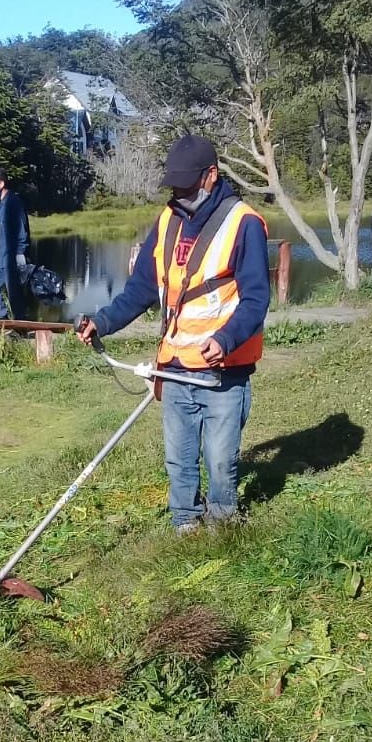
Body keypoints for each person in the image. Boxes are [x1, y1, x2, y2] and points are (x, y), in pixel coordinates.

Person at [77, 134, 270, 532]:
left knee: (220, 458)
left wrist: (226, 339)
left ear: (211, 176)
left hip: (223, 370)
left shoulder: (243, 224)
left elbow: (255, 299)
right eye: (174, 185)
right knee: (179, 458)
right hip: (175, 366)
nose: (179, 193)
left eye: (186, 184)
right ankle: (184, 523)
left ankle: (222, 523)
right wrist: (103, 321)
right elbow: (140, 290)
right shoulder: (167, 221)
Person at [0, 167, 31, 323]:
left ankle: (20, 328)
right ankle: (2, 320)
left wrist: (19, 255)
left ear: (1, 184)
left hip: (12, 257)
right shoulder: (0, 206)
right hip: (0, 256)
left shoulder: (14, 203)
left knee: (14, 295)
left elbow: (22, 231)